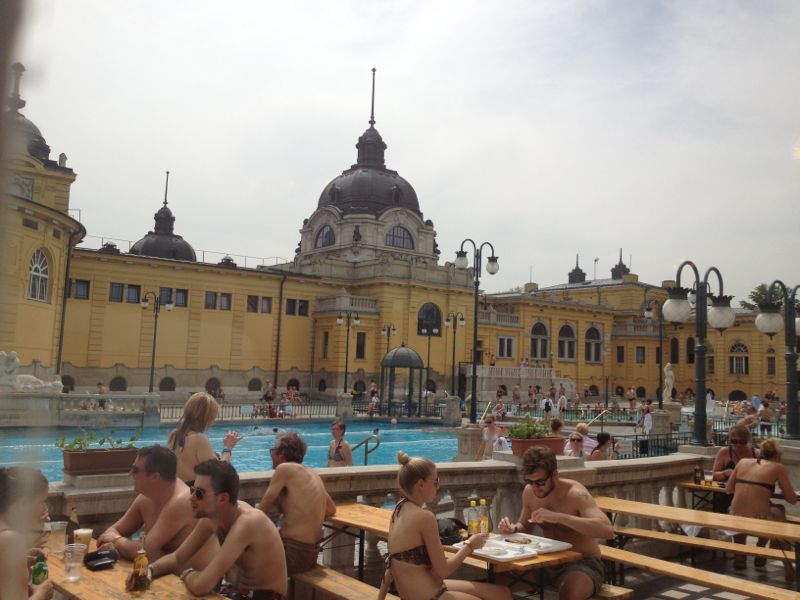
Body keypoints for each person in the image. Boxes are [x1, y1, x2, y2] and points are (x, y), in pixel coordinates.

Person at [380, 451, 511, 600]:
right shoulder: (424, 517)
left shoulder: (398, 510)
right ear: (421, 484)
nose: (438, 487)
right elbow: (443, 570)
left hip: (425, 589)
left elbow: (390, 567)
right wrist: (469, 545)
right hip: (432, 595)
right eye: (435, 482)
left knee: (503, 593)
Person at [146, 460, 287, 598]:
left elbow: (201, 586)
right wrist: (150, 570)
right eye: (192, 490)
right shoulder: (211, 519)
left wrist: (188, 574)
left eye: (199, 493)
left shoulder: (247, 522)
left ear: (223, 499)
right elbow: (177, 558)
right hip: (238, 591)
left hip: (265, 595)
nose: (191, 498)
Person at [498, 447, 612, 599]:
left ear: (554, 474)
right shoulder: (529, 492)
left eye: (540, 482)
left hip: (583, 562)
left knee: (570, 593)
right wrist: (512, 529)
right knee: (500, 580)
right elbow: (525, 526)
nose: (535, 487)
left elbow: (606, 530)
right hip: (546, 560)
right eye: (530, 481)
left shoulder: (575, 494)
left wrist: (560, 517)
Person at [97, 446, 218, 567]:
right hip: (159, 573)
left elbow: (140, 552)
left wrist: (115, 540)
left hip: (191, 577)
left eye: (135, 470)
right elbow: (113, 531)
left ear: (155, 476)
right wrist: (114, 542)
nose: (130, 473)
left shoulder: (181, 502)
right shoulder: (145, 498)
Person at [258, 432, 336, 575]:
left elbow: (260, 512)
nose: (271, 453)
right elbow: (331, 509)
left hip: (292, 553)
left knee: (245, 551)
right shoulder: (312, 473)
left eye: (273, 449)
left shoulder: (284, 469)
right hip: (310, 554)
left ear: (281, 454)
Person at [727, 439, 797, 578]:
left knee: (762, 509)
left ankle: (740, 556)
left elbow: (729, 489)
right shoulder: (777, 467)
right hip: (759, 519)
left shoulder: (742, 462)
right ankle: (786, 566)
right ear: (777, 455)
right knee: (779, 512)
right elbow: (792, 499)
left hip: (734, 515)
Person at [0, 467, 53, 600]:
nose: (45, 508)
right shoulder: (10, 540)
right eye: (42, 501)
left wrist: (19, 562)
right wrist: (42, 593)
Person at [167, 392, 242, 483]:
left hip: (178, 488)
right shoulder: (199, 439)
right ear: (208, 418)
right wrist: (228, 447)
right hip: (194, 490)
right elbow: (219, 473)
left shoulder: (174, 435)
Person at [711, 424, 756, 514]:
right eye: (734, 441)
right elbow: (714, 475)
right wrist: (725, 473)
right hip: (726, 495)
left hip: (749, 495)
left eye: (742, 442)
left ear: (747, 440)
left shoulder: (756, 454)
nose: (738, 445)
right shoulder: (724, 452)